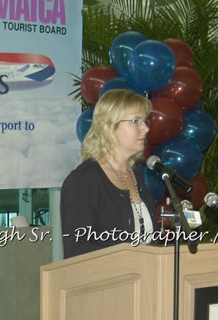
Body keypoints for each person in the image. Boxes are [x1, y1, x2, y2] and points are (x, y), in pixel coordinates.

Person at [61, 89, 158, 258]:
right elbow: (76, 251)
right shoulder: (83, 181)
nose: (145, 129)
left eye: (145, 121)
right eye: (136, 121)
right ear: (109, 127)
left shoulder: (136, 175)